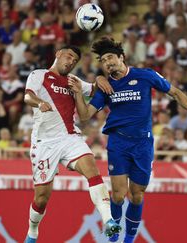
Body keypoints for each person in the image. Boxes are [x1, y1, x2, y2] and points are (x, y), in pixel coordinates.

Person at [68, 37, 187, 243]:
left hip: (143, 144)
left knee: (136, 195)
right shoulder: (105, 86)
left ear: (122, 57)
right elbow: (85, 116)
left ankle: (129, 239)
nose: (107, 62)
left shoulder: (145, 76)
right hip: (118, 142)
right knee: (118, 195)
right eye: (103, 60)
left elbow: (175, 92)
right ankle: (112, 237)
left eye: (110, 57)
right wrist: (77, 95)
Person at [23, 45, 121, 243]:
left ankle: (109, 220)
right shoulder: (39, 74)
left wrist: (100, 79)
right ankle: (33, 231)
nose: (70, 62)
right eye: (68, 56)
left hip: (69, 137)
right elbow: (27, 96)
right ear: (58, 54)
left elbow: (94, 88)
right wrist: (38, 103)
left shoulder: (72, 81)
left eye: (74, 60)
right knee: (41, 197)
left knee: (92, 169)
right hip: (44, 143)